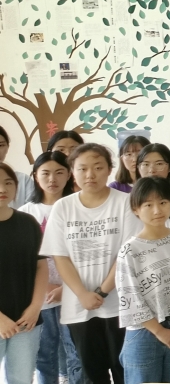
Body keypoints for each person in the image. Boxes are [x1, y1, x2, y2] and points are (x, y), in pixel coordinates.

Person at [42, 144, 141, 384]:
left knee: (125, 371)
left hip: (120, 304)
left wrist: (102, 291)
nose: (90, 175)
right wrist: (82, 294)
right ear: (72, 172)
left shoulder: (125, 203)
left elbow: (127, 253)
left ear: (109, 169)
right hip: (78, 307)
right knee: (92, 374)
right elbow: (60, 256)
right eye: (83, 168)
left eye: (98, 167)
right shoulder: (63, 207)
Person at [115, 178, 170, 384]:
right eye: (148, 205)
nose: (157, 210)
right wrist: (159, 331)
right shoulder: (130, 250)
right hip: (145, 331)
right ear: (136, 209)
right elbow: (130, 297)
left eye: (162, 202)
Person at [19, 152, 83, 384]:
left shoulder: (78, 208)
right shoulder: (25, 213)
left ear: (69, 175)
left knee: (76, 353)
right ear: (35, 176)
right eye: (45, 173)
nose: (52, 179)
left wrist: (67, 287)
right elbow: (21, 259)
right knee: (44, 355)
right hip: (40, 296)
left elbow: (87, 254)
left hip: (75, 292)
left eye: (59, 172)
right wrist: (43, 285)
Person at [0, 159, 48, 384]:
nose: (2, 189)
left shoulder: (28, 222)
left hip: (26, 320)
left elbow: (40, 265)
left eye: (8, 182)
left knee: (21, 379)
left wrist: (35, 308)